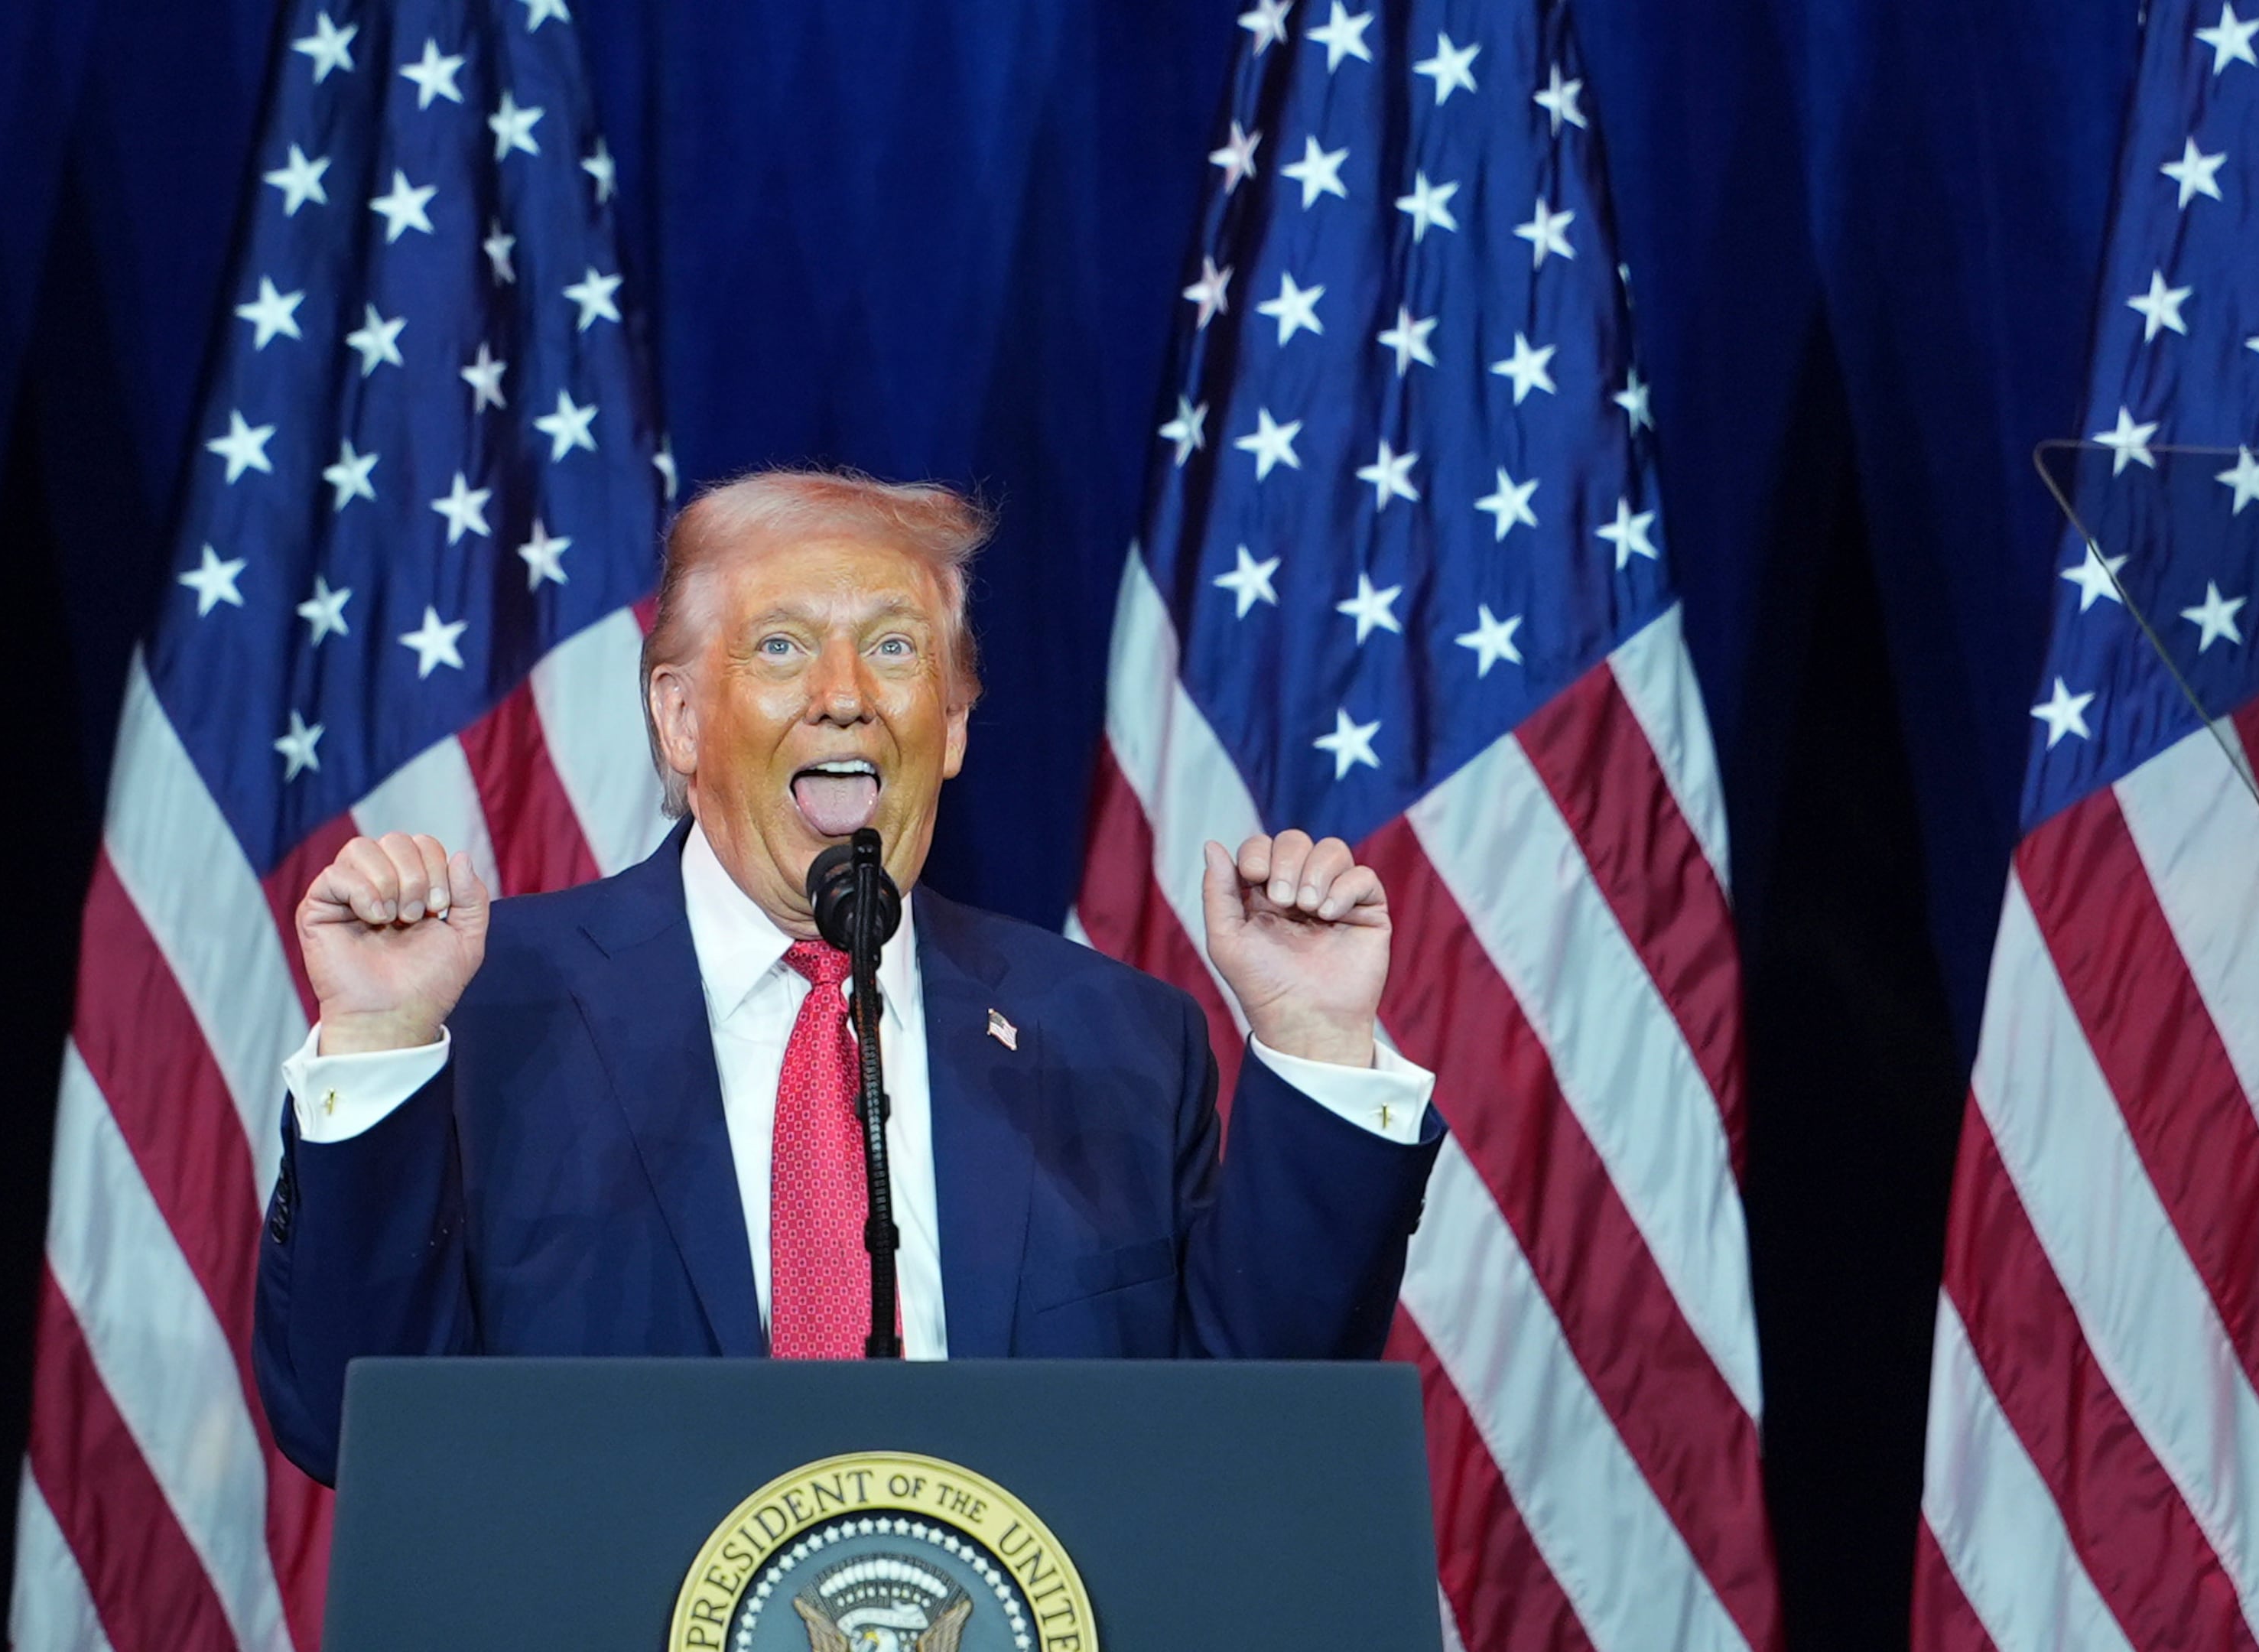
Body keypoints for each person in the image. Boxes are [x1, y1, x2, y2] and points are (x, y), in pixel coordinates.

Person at [254, 470, 1445, 1484]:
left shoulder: (1120, 1041)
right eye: (781, 646)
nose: (844, 693)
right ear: (679, 718)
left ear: (957, 719)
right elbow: (352, 1432)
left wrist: (1316, 1044)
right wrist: (380, 1042)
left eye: (894, 647)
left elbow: (1261, 1445)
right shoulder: (485, 1013)